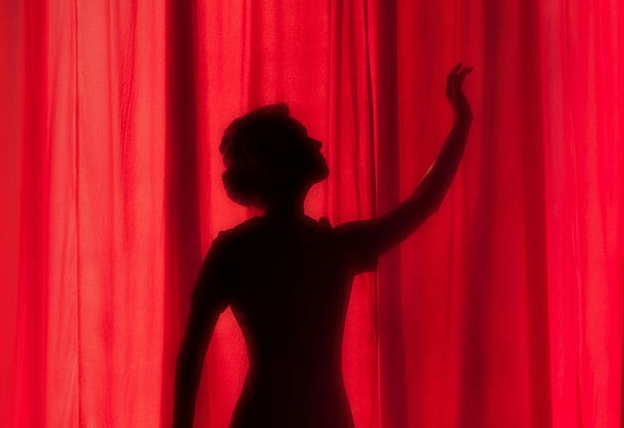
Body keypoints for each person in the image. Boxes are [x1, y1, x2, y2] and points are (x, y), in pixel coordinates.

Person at [171, 64, 475, 428]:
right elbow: (191, 353)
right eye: (302, 138)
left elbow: (424, 205)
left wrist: (462, 125)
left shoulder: (257, 249)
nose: (316, 142)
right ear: (275, 165)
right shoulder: (327, 249)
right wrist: (461, 125)